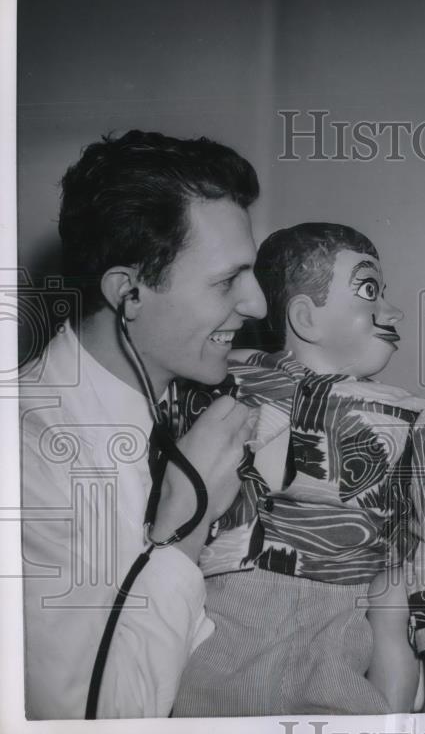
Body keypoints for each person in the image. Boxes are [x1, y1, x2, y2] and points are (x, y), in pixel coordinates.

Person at [171, 223, 425, 716]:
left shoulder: (416, 417)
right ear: (305, 316)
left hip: (345, 620)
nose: (394, 312)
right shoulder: (218, 384)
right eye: (370, 291)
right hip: (221, 618)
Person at [20, 130, 267, 718]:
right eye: (226, 280)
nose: (258, 304)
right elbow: (94, 719)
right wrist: (187, 525)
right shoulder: (29, 456)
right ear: (128, 292)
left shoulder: (172, 405)